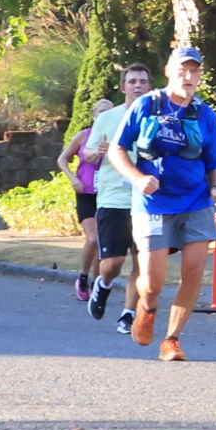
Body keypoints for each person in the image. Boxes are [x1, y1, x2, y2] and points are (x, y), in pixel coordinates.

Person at [103, 46, 216, 362]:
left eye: (194, 71)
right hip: (153, 203)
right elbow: (117, 150)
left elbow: (215, 161)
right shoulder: (147, 105)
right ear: (168, 71)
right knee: (152, 282)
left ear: (200, 76)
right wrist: (138, 178)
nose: (188, 76)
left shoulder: (205, 114)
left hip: (196, 201)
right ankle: (147, 308)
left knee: (193, 273)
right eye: (182, 70)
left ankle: (172, 339)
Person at [77, 65, 154, 326]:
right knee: (113, 262)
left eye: (142, 81)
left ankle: (128, 314)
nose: (137, 85)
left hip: (148, 200)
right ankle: (104, 283)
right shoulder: (107, 118)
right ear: (123, 87)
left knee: (143, 261)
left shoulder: (157, 118)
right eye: (132, 81)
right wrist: (98, 151)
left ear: (150, 87)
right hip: (114, 198)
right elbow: (88, 154)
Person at [60, 95, 117, 299]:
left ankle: (95, 284)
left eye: (109, 112)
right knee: (93, 239)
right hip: (86, 193)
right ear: (94, 116)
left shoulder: (118, 137)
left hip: (109, 194)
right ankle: (83, 277)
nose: (105, 115)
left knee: (102, 243)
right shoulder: (84, 136)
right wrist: (73, 178)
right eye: (101, 111)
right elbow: (62, 159)